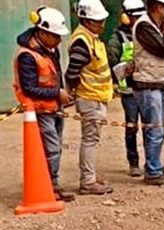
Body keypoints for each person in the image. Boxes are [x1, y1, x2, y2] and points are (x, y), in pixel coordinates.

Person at [15, 7, 74, 201]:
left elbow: (55, 76)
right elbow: (29, 88)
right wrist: (57, 93)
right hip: (40, 110)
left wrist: (61, 95)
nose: (59, 40)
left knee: (54, 147)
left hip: (53, 108)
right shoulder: (28, 56)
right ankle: (50, 185)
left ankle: (52, 183)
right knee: (51, 148)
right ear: (42, 33)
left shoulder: (49, 50)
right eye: (55, 36)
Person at [66, 0, 115, 195]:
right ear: (85, 20)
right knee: (90, 139)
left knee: (92, 139)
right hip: (89, 97)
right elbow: (72, 73)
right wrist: (76, 91)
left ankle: (90, 175)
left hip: (97, 96)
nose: (102, 24)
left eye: (102, 20)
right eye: (98, 21)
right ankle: (87, 181)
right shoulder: (82, 41)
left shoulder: (91, 37)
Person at [133, 0, 164, 186]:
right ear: (158, 7)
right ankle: (153, 170)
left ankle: (154, 163)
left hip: (157, 83)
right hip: (147, 83)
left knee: (159, 129)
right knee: (155, 129)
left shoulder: (153, 27)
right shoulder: (144, 26)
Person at [107, 0, 146, 178]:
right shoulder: (118, 37)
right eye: (135, 16)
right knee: (131, 127)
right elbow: (112, 60)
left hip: (146, 87)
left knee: (149, 127)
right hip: (129, 90)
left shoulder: (147, 32)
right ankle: (134, 162)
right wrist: (125, 68)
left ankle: (151, 162)